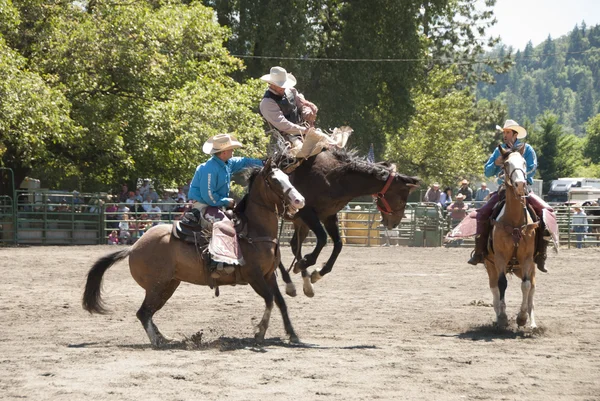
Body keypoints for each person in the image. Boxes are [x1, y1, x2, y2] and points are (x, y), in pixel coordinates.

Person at [467, 119, 551, 272]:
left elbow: (532, 168)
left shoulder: (527, 149)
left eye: (507, 132)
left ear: (515, 134)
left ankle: (541, 255)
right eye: (504, 132)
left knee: (546, 213)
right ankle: (479, 252)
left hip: (523, 190)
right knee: (482, 214)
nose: (505, 135)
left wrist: (520, 177)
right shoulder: (498, 150)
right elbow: (487, 171)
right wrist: (497, 162)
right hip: (503, 190)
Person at [185, 134, 263, 276]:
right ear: (224, 152)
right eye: (231, 149)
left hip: (215, 205)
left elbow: (244, 161)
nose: (233, 152)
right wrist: (225, 201)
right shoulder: (208, 168)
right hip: (203, 205)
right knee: (221, 223)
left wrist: (264, 163)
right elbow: (208, 196)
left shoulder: (227, 164)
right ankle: (216, 262)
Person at [259, 66, 334, 158]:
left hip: (304, 130)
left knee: (331, 144)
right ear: (271, 84)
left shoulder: (290, 90)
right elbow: (283, 125)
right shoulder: (267, 103)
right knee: (300, 155)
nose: (283, 87)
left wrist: (307, 112)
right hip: (285, 138)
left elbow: (300, 103)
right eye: (280, 85)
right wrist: (305, 131)